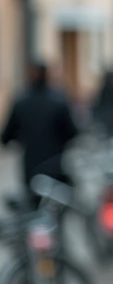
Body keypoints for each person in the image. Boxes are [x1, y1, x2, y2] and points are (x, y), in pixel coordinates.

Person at [2, 63, 79, 201]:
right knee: (57, 206)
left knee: (34, 209)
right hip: (56, 165)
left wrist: (21, 139)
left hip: (31, 168)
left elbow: (6, 137)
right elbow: (72, 133)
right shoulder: (59, 102)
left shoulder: (21, 103)